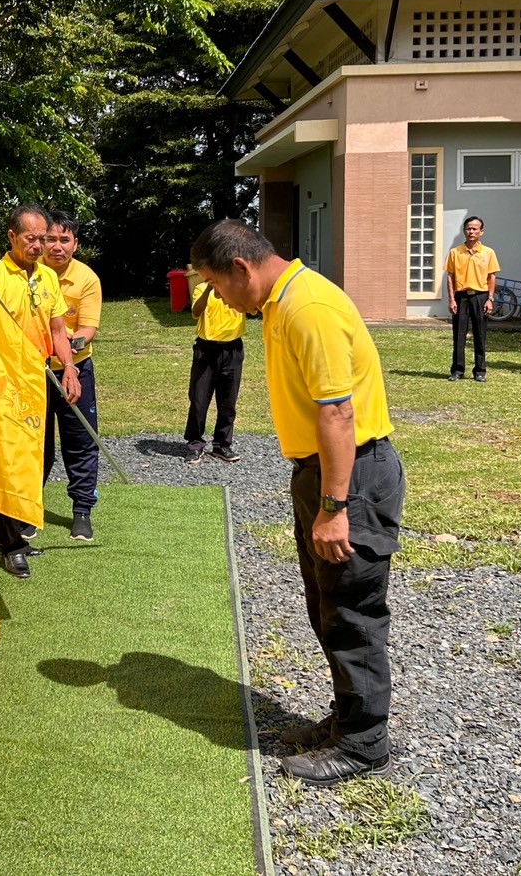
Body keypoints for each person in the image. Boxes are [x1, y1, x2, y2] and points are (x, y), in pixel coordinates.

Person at [191, 219, 402, 787]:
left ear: (241, 268)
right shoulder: (281, 303)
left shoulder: (307, 306)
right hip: (323, 472)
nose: (218, 298)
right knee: (327, 605)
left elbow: (338, 411)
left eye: (216, 284)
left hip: (351, 476)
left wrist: (334, 507)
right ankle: (348, 719)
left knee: (352, 610)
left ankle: (364, 744)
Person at [0, 205, 81, 579]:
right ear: (12, 236)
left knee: (42, 457)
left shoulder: (48, 276)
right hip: (7, 383)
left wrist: (69, 368)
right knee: (14, 461)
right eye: (31, 238)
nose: (39, 245)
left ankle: (2, 532)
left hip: (41, 378)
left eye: (43, 238)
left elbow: (58, 330)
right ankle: (12, 544)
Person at [43, 212, 102, 542]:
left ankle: (82, 511)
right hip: (35, 372)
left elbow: (87, 330)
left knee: (80, 442)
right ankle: (27, 511)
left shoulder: (87, 279)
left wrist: (63, 347)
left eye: (64, 240)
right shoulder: (31, 277)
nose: (57, 246)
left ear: (75, 244)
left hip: (75, 370)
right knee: (36, 445)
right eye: (50, 239)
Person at [184, 271, 246, 463]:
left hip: (233, 349)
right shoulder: (201, 289)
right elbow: (196, 312)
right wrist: (210, 288)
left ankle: (222, 445)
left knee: (228, 401)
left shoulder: (238, 290)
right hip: (206, 350)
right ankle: (195, 443)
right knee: (199, 400)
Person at [444, 216, 501, 382]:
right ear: (464, 231)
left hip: (480, 296)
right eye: (468, 228)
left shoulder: (488, 253)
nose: (471, 232)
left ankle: (480, 371)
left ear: (481, 232)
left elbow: (492, 277)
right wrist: (451, 299)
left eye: (475, 229)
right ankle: (457, 370)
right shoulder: (455, 252)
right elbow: (450, 276)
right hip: (461, 297)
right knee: (459, 334)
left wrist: (490, 299)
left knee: (480, 334)